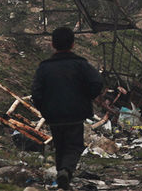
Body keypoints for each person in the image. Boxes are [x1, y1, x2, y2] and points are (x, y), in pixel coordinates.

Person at [32, 27, 104, 190]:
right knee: (74, 146)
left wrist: (44, 108)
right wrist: (86, 97)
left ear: (52, 44)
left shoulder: (44, 67)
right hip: (75, 114)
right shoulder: (80, 64)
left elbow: (36, 92)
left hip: (54, 116)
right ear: (72, 44)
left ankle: (63, 179)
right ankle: (66, 171)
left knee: (60, 146)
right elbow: (97, 83)